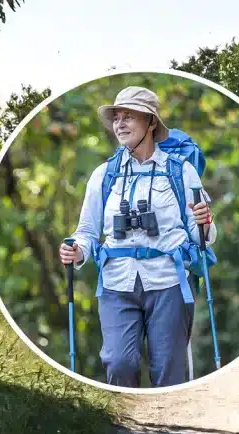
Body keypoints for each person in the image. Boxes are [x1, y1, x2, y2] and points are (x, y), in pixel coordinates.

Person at [58, 86, 218, 388]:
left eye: (129, 116)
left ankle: (171, 433)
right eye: (116, 117)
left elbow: (205, 235)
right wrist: (77, 251)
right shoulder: (103, 174)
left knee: (169, 372)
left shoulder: (180, 171)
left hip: (169, 281)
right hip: (117, 283)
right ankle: (128, 431)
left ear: (151, 123)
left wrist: (205, 222)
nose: (120, 123)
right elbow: (87, 232)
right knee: (119, 363)